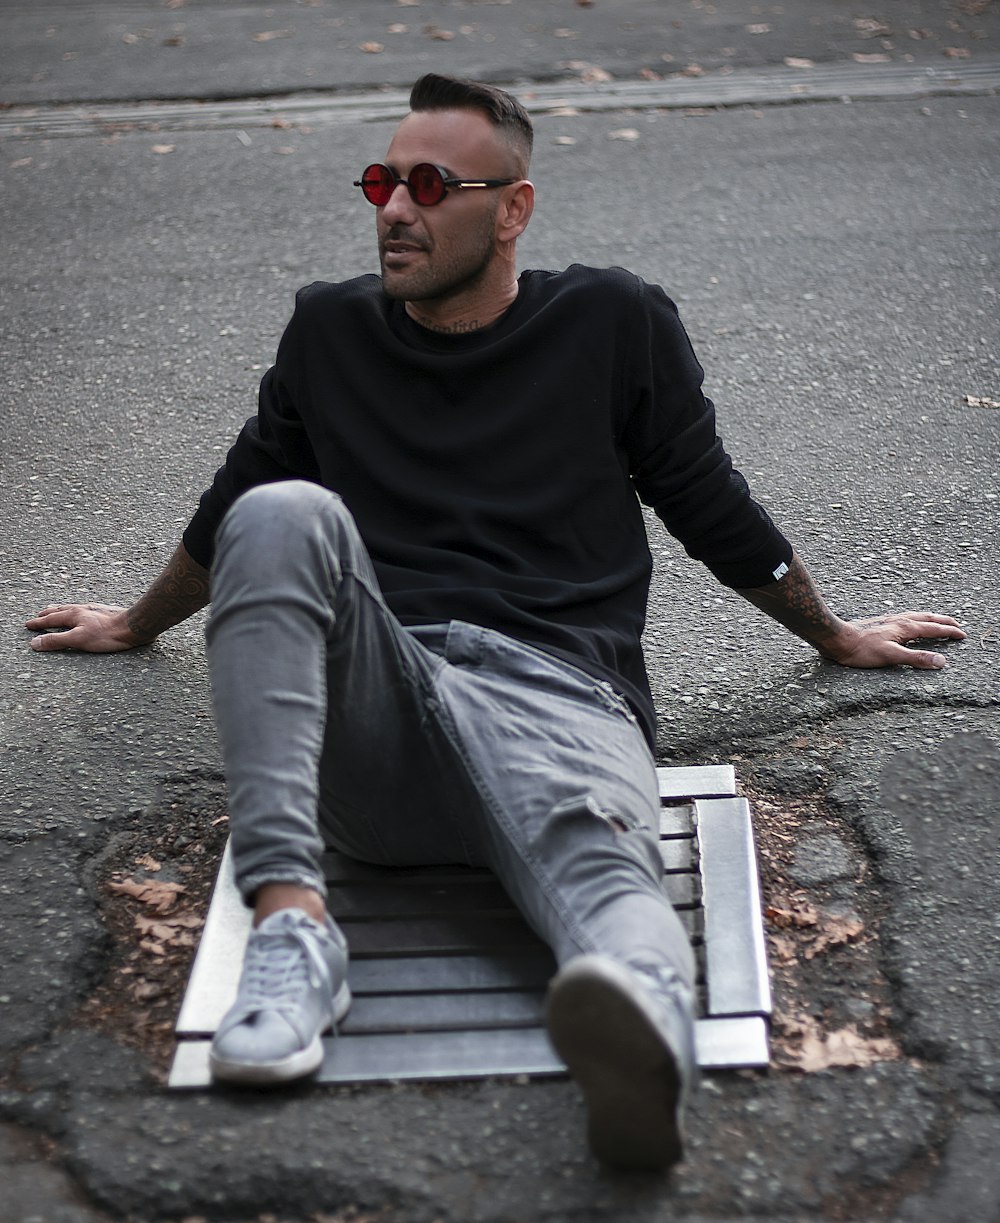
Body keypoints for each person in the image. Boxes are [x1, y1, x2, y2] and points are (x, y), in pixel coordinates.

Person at [25, 74, 964, 1172]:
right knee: (283, 509)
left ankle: (637, 1027)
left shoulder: (611, 319)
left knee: (605, 887)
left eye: (428, 184)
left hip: (561, 693)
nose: (393, 208)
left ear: (511, 208)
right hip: (386, 709)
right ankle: (292, 927)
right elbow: (236, 505)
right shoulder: (328, 330)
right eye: (382, 181)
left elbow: (703, 495)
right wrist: (139, 622)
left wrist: (832, 631)